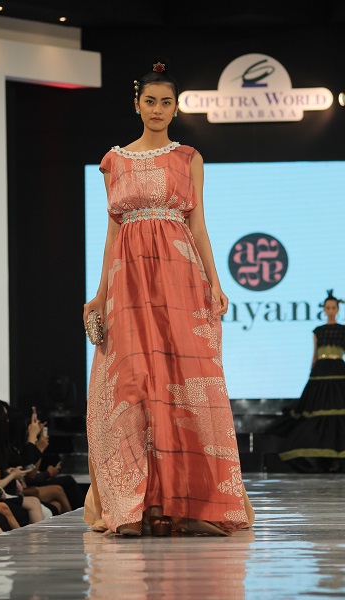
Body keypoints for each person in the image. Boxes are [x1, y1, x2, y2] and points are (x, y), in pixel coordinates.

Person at [82, 57, 254, 537]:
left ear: (176, 108)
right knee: (132, 385)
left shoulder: (188, 158)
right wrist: (100, 293)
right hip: (129, 283)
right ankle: (133, 507)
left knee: (186, 382)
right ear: (137, 104)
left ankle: (191, 504)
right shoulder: (113, 161)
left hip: (180, 277)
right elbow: (112, 234)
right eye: (150, 101)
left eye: (166, 102)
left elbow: (198, 225)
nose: (158, 109)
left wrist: (215, 282)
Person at [268, 289, 345, 473]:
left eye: (333, 307)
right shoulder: (318, 331)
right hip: (320, 372)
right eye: (328, 307)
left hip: (339, 371)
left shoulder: (343, 330)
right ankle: (324, 459)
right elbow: (315, 354)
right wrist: (312, 373)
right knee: (318, 411)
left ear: (337, 309)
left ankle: (336, 459)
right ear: (324, 309)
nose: (331, 310)